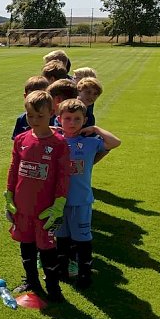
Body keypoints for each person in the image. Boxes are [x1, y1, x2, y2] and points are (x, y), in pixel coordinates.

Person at [4, 90, 71, 302]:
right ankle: (31, 281)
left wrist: (59, 203)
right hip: (22, 207)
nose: (34, 121)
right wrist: (9, 195)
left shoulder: (59, 143)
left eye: (39, 116)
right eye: (30, 116)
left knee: (48, 249)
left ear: (52, 113)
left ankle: (54, 289)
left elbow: (63, 177)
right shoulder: (21, 139)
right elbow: (14, 168)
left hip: (45, 210)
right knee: (26, 246)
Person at [55, 98, 121, 289]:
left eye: (77, 119)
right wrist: (53, 130)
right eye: (67, 118)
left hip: (80, 201)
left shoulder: (90, 142)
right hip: (58, 202)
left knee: (82, 239)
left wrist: (97, 129)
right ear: (59, 119)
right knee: (62, 239)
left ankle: (84, 274)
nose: (72, 123)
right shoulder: (54, 141)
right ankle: (62, 270)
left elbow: (115, 142)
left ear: (85, 120)